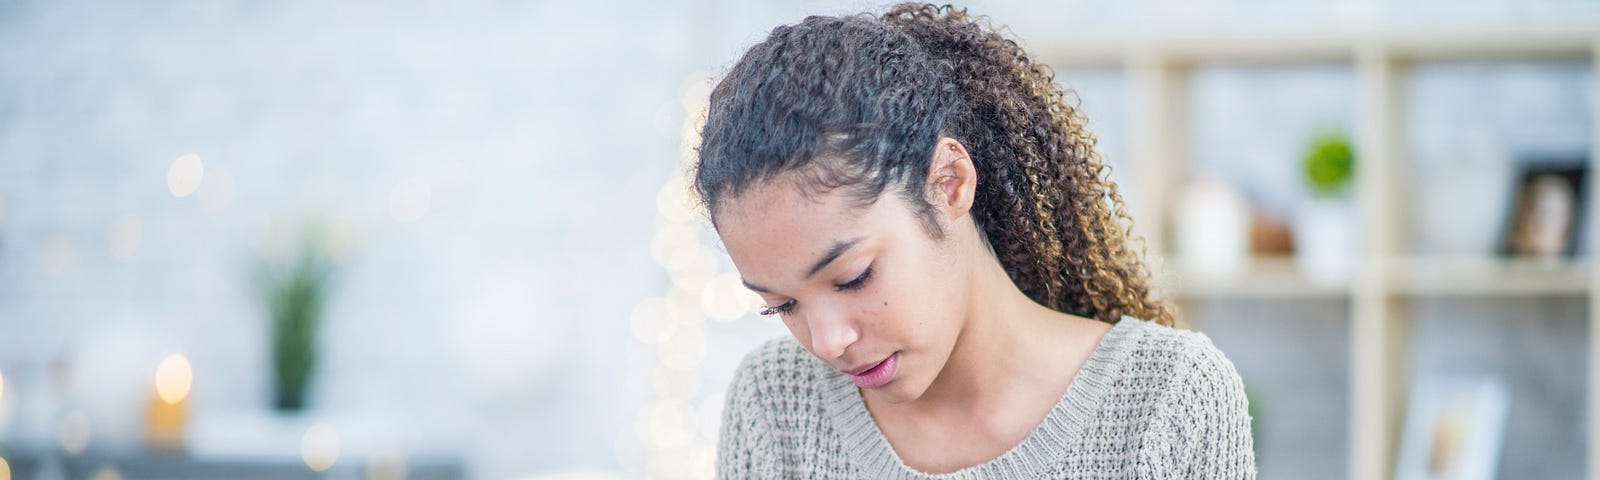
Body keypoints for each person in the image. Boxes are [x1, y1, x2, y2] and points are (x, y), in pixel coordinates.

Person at [693, 3, 1256, 478]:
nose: (827, 342)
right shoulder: (775, 403)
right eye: (782, 306)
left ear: (949, 183)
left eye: (852, 276)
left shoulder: (1165, 398)